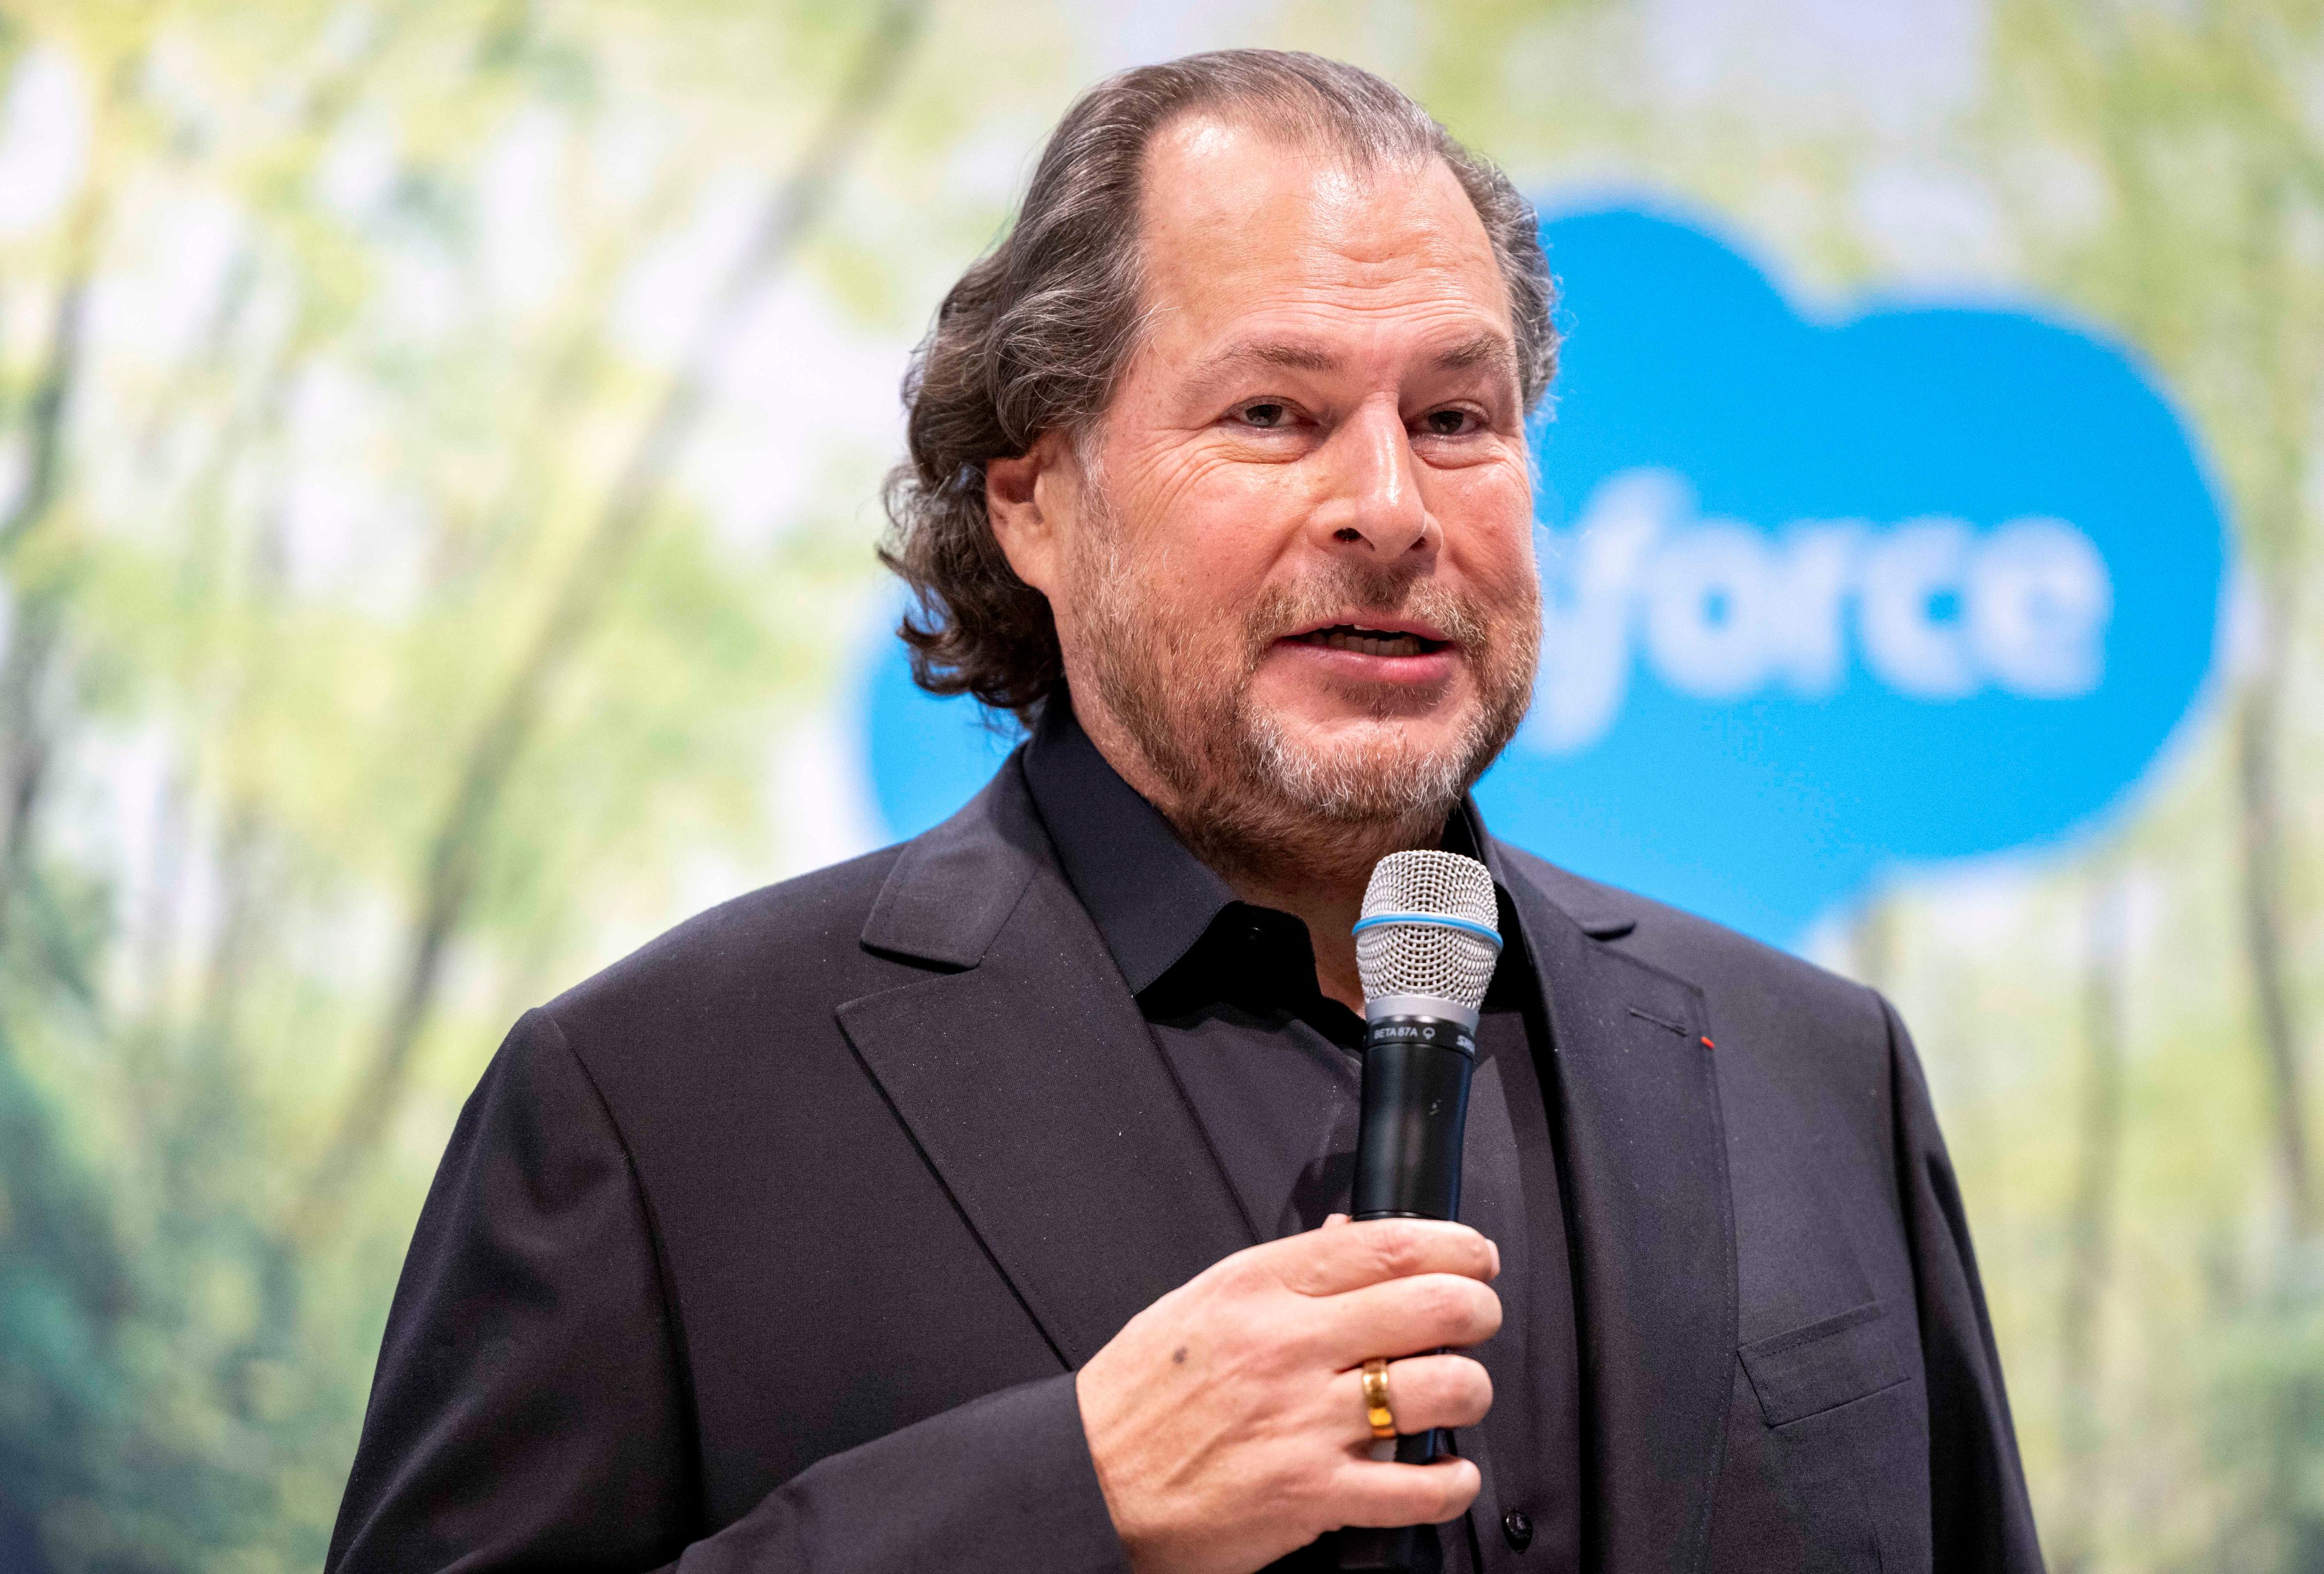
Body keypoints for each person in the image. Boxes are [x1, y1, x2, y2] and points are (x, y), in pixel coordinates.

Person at [326, 49, 2041, 1574]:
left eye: (1456, 417)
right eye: (1273, 414)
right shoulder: (654, 1102)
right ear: (1034, 503)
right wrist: (1073, 1497)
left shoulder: (1822, 1071)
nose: (1388, 506)